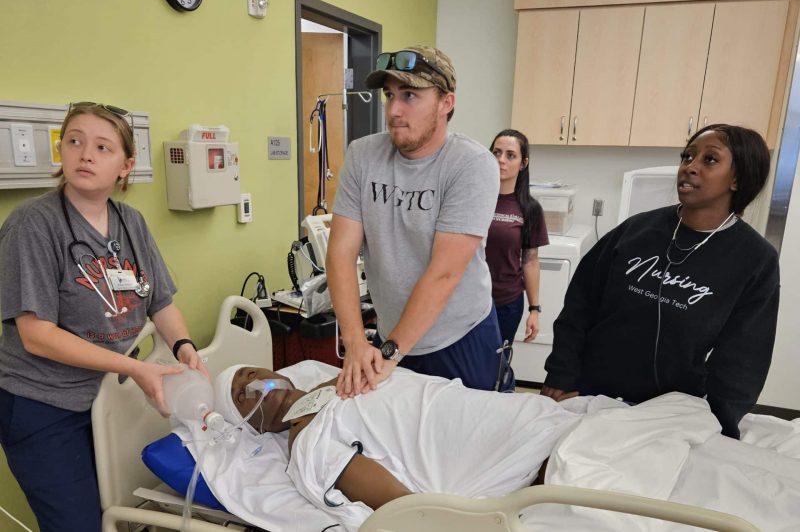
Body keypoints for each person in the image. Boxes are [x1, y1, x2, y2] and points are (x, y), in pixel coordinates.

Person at [211, 363, 800, 532]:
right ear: (252, 424)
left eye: (249, 371)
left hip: (536, 418)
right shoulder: (306, 443)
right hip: (534, 460)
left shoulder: (335, 377)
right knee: (735, 497)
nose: (249, 381)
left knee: (730, 463)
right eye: (240, 393)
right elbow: (401, 506)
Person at [0, 102, 207, 532]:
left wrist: (184, 346)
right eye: (74, 141)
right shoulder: (33, 226)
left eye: (102, 146)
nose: (85, 154)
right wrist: (134, 367)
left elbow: (160, 302)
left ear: (126, 166)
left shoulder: (130, 222)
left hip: (107, 397)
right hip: (43, 403)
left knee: (120, 504)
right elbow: (36, 334)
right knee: (76, 524)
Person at [541, 124, 780, 439]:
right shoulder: (635, 232)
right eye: (687, 156)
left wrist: (719, 427)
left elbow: (744, 359)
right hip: (587, 395)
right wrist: (560, 375)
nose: (689, 167)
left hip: (669, 417)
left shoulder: (754, 259)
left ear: (738, 178)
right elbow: (579, 307)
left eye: (709, 160)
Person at [327, 46, 502, 397]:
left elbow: (444, 273)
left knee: (459, 446)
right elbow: (339, 254)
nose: (394, 110)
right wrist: (356, 342)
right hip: (391, 334)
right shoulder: (363, 156)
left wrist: (390, 352)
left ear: (445, 103)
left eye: (410, 95)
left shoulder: (472, 165)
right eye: (389, 95)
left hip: (459, 338)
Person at [486, 129, 548, 391]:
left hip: (506, 302)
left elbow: (530, 260)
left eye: (510, 155)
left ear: (523, 164)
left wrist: (535, 309)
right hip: (469, 299)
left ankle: (502, 398)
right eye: (497, 152)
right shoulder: (473, 199)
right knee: (470, 362)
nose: (501, 159)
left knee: (497, 362)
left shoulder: (529, 209)